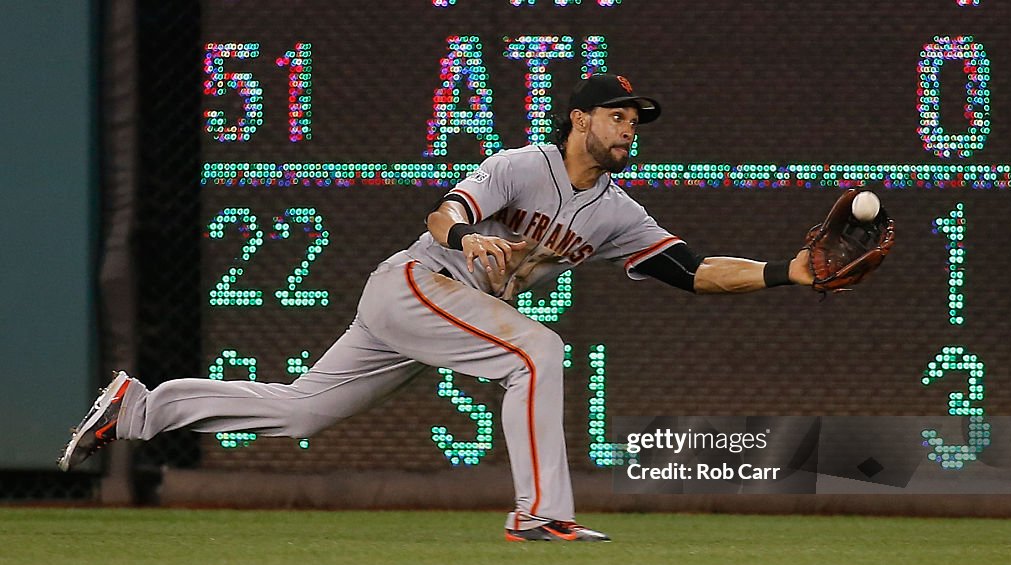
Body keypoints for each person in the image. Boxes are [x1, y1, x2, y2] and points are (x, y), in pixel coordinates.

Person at [61, 73, 812, 541]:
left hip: (435, 310)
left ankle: (137, 408)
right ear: (580, 119)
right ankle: (541, 513)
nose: (630, 129)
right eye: (618, 116)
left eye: (636, 122)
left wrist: (791, 270)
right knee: (538, 350)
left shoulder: (617, 211)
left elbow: (696, 270)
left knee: (300, 411)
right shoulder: (525, 164)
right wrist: (467, 235)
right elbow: (444, 210)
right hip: (419, 282)